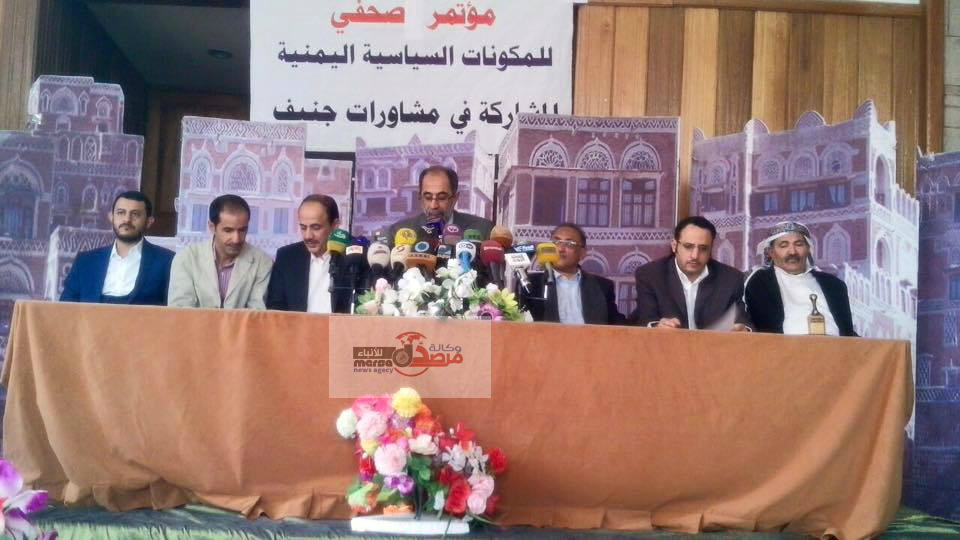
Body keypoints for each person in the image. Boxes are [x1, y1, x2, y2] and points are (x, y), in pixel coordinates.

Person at [630, 216, 750, 331]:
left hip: (713, 345)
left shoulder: (730, 279)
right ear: (674, 246)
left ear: (711, 249)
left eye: (703, 248)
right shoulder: (650, 275)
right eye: (688, 247)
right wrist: (656, 326)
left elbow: (743, 322)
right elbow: (645, 319)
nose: (695, 256)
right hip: (666, 343)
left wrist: (742, 330)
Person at [60, 191, 174, 305]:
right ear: (111, 217)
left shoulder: (167, 262)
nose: (127, 220)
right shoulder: (85, 262)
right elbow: (65, 309)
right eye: (121, 213)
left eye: (135, 214)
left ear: (149, 222)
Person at [744, 221, 857, 336]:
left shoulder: (833, 285)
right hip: (781, 347)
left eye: (799, 244)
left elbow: (848, 332)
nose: (792, 252)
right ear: (771, 252)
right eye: (784, 245)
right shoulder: (758, 282)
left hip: (837, 346)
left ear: (808, 249)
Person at [167, 194, 272, 309]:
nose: (236, 239)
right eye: (228, 230)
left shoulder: (262, 262)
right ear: (212, 227)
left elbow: (256, 313)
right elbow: (180, 311)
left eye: (242, 230)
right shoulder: (187, 258)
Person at [520, 223, 624, 325]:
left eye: (569, 244)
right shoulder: (530, 284)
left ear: (582, 253)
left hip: (590, 336)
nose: (560, 249)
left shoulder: (602, 286)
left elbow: (616, 324)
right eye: (556, 242)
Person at [267, 195, 355, 313]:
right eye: (303, 228)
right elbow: (275, 309)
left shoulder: (353, 256)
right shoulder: (287, 257)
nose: (308, 236)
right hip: (298, 325)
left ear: (335, 226)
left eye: (316, 227)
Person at [387, 165, 493, 242]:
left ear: (455, 198)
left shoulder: (483, 230)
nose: (434, 205)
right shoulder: (398, 232)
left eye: (442, 198)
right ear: (420, 197)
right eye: (428, 198)